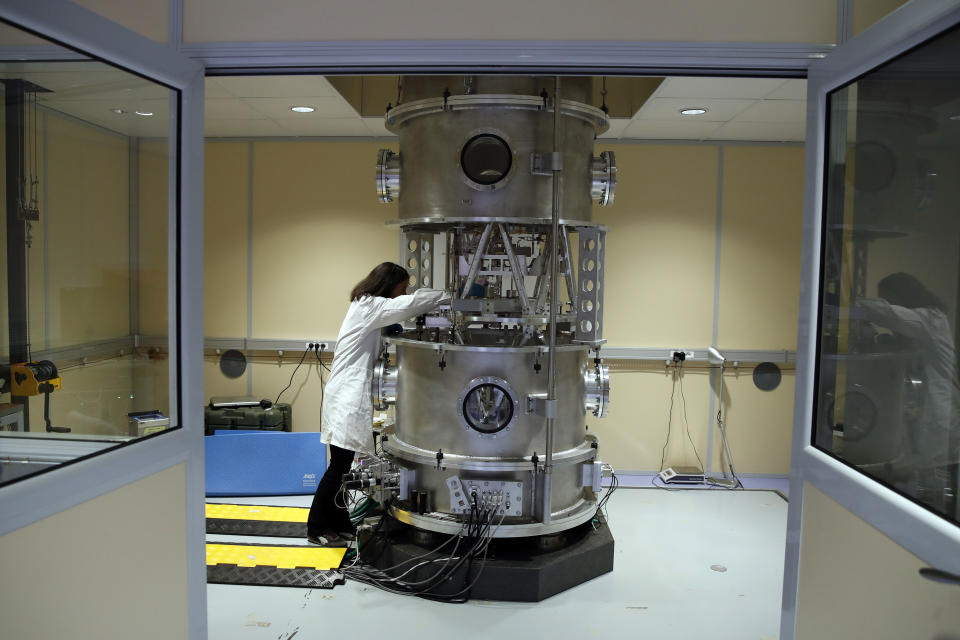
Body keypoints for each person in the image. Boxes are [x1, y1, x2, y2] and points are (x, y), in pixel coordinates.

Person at [307, 262, 450, 545]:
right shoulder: (371, 306)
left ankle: (339, 522)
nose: (404, 292)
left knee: (344, 467)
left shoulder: (368, 306)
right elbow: (412, 304)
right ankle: (316, 528)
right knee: (338, 467)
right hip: (347, 395)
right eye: (402, 287)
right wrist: (451, 294)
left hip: (346, 392)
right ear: (389, 284)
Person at [857, 272, 960, 517]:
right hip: (926, 415)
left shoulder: (931, 319)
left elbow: (887, 314)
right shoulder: (919, 330)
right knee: (922, 482)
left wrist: (852, 304)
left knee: (933, 487)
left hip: (940, 416)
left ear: (904, 296)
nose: (889, 304)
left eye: (890, 299)